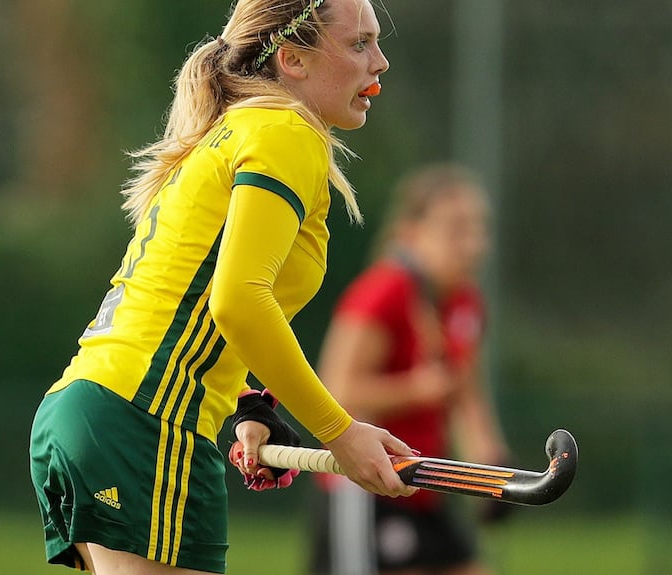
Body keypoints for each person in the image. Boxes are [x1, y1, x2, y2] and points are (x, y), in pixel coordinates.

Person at [28, 2, 417, 574]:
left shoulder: (236, 130)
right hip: (144, 422)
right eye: (359, 44)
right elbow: (237, 301)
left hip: (93, 409)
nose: (379, 63)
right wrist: (339, 432)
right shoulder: (286, 132)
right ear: (293, 59)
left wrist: (246, 403)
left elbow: (183, 303)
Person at [310, 164, 512, 575]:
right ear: (412, 232)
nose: (473, 245)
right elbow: (335, 392)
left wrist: (488, 459)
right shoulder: (384, 292)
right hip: (366, 490)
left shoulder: (464, 302)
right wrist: (414, 391)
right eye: (456, 229)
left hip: (425, 485)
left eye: (478, 229)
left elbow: (465, 391)